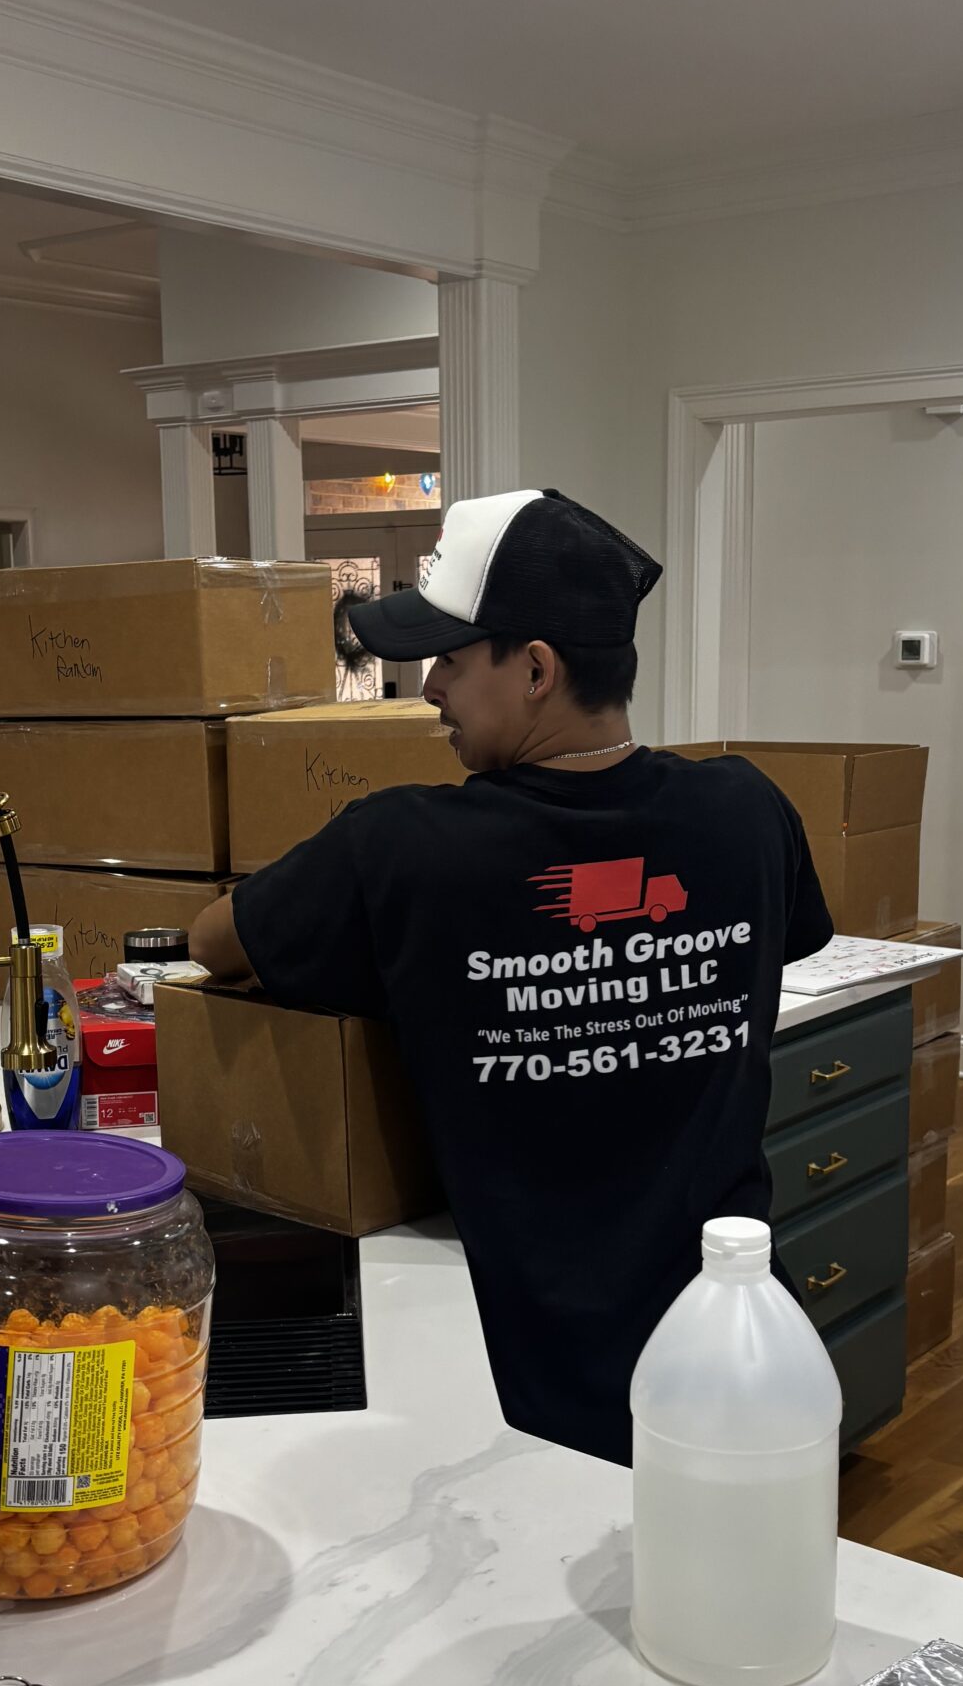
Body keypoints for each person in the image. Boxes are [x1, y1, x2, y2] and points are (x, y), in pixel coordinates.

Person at [190, 488, 833, 1464]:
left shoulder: (402, 848)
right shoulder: (749, 811)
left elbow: (213, 940)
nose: (429, 689)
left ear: (535, 669)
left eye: (449, 658)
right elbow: (771, 948)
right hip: (738, 1359)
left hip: (535, 1395)